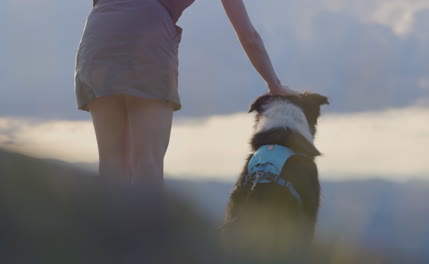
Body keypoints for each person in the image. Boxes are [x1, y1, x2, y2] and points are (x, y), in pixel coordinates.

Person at [75, 0, 299, 186]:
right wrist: (274, 85)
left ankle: (107, 238)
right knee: (147, 165)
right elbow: (249, 37)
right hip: (148, 38)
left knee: (111, 165)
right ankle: (147, 238)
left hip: (97, 37)